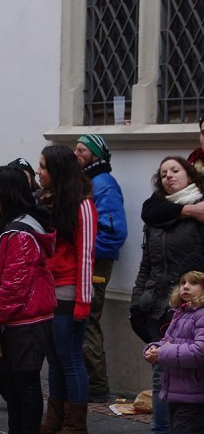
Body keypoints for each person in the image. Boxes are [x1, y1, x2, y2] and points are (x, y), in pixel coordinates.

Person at [0, 166, 56, 434]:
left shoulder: (20, 233)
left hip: (27, 320)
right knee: (10, 379)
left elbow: (14, 285)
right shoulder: (3, 227)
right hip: (10, 320)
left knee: (26, 383)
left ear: (7, 191)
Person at [130, 157, 204, 434]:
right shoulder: (157, 212)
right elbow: (147, 263)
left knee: (193, 380)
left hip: (194, 308)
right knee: (162, 379)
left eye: (175, 170)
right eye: (163, 173)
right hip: (159, 306)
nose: (169, 176)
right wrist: (137, 301)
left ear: (190, 175)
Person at [37, 144, 97, 434]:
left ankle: (76, 425)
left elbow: (86, 255)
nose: (39, 172)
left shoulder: (82, 205)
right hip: (49, 289)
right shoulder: (48, 201)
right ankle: (55, 418)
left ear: (58, 170)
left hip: (70, 291)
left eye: (44, 166)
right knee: (55, 359)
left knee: (70, 358)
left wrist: (82, 304)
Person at [143, 254, 204, 434]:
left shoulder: (201, 315)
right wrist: (154, 349)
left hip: (194, 390)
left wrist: (164, 353)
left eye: (193, 283)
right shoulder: (181, 314)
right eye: (182, 283)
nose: (185, 288)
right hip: (177, 388)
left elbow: (200, 351)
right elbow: (168, 341)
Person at [74, 134, 128, 402]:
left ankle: (96, 385)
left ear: (95, 155)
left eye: (81, 149)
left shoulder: (104, 184)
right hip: (86, 259)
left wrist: (88, 253)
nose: (75, 153)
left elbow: (114, 231)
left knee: (89, 320)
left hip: (95, 262)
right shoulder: (86, 181)